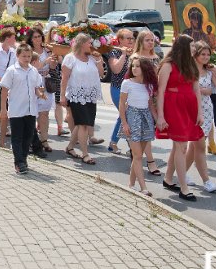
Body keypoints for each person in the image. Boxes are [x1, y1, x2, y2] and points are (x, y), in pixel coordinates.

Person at [159, 35, 203, 202]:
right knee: (181, 146)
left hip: (188, 107)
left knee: (178, 145)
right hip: (173, 106)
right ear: (183, 47)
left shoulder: (192, 64)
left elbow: (196, 89)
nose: (194, 49)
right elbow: (160, 91)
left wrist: (199, 112)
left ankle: (168, 178)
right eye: (192, 46)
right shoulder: (168, 65)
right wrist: (160, 116)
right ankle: (184, 188)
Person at [119, 56, 161, 196]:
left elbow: (150, 105)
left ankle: (131, 184)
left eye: (138, 66)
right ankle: (143, 188)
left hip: (146, 119)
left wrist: (157, 120)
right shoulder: (127, 83)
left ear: (145, 69)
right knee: (137, 155)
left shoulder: (149, 85)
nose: (134, 69)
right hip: (132, 118)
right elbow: (122, 104)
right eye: (133, 66)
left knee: (138, 155)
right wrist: (124, 123)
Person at [0, 43, 45, 174]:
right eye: (24, 56)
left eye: (29, 56)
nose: (26, 58)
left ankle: (23, 159)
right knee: (17, 137)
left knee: (28, 136)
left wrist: (40, 94)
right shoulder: (12, 71)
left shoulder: (33, 71)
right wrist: (3, 108)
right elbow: (4, 90)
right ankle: (18, 162)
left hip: (30, 110)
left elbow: (36, 88)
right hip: (17, 109)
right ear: (18, 56)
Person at [61, 33, 104, 166]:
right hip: (76, 96)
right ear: (81, 44)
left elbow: (101, 74)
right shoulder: (70, 58)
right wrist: (62, 96)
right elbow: (64, 78)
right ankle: (85, 154)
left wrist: (99, 60)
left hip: (90, 95)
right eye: (89, 43)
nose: (91, 45)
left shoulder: (92, 58)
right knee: (83, 124)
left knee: (82, 124)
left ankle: (70, 147)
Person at [187, 41, 216, 193]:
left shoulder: (209, 71)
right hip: (193, 112)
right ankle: (206, 181)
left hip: (207, 111)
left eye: (208, 55)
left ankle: (181, 173)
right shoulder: (190, 71)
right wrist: (200, 90)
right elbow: (187, 89)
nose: (206, 57)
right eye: (203, 54)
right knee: (200, 147)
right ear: (196, 55)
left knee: (193, 147)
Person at [106, 29, 135, 155]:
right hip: (118, 88)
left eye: (132, 38)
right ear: (120, 40)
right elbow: (116, 69)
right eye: (128, 38)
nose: (131, 41)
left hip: (132, 90)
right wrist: (123, 54)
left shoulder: (135, 53)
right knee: (125, 115)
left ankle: (114, 143)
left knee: (124, 116)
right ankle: (130, 145)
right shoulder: (114, 52)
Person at [28, 29, 55, 153]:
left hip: (45, 82)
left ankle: (44, 140)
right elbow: (33, 67)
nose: (38, 39)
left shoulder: (47, 50)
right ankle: (31, 140)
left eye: (39, 36)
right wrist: (45, 61)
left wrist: (53, 61)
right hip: (32, 83)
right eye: (35, 37)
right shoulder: (28, 51)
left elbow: (52, 67)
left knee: (44, 113)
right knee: (31, 114)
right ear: (30, 39)